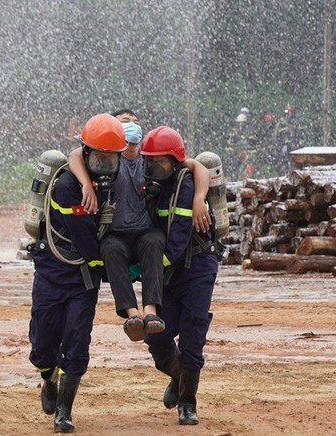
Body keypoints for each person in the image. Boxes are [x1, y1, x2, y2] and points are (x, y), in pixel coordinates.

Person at [68, 110, 210, 342]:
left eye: (136, 123)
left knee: (154, 242)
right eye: (125, 123)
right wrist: (85, 184)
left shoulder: (150, 159)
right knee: (110, 249)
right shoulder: (108, 159)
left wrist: (199, 197)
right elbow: (75, 155)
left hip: (145, 230)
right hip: (115, 233)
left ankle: (151, 311)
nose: (132, 127)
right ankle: (131, 314)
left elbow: (197, 166)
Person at [29, 113, 125, 433]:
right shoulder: (67, 187)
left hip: (84, 279)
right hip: (54, 270)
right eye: (98, 158)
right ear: (85, 154)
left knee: (77, 341)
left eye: (111, 158)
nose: (105, 164)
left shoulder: (118, 180)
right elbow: (83, 234)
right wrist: (110, 267)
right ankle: (48, 377)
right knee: (43, 344)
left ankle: (64, 412)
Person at [140, 126, 219, 426]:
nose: (151, 168)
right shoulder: (153, 188)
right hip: (168, 274)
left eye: (158, 162)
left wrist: (146, 268)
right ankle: (178, 375)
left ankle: (188, 402)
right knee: (156, 334)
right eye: (149, 162)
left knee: (192, 337)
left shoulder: (185, 184)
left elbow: (176, 242)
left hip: (196, 268)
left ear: (174, 161)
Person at [225, 108, 257, 181]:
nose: (241, 124)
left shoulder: (251, 129)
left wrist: (248, 153)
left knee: (248, 169)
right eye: (240, 123)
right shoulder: (235, 130)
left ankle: (249, 181)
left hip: (247, 154)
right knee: (234, 167)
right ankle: (234, 180)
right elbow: (230, 142)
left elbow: (253, 142)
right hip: (236, 153)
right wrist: (232, 150)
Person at [275, 103, 306, 174]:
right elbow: (276, 135)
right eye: (289, 111)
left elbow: (302, 133)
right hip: (285, 147)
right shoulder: (281, 121)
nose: (290, 113)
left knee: (295, 163)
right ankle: (285, 173)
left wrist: (300, 143)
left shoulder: (298, 120)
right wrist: (279, 145)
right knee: (284, 162)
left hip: (295, 146)